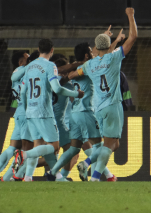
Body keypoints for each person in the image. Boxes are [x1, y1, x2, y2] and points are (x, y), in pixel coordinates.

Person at [69, 8, 138, 182]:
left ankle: (87, 163)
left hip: (98, 109)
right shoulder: (114, 58)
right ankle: (95, 178)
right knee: (109, 145)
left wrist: (62, 78)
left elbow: (72, 75)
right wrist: (131, 17)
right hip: (113, 106)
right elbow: (133, 38)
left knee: (114, 143)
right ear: (108, 46)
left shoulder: (89, 65)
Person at [50, 42, 118, 182]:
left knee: (73, 149)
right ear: (87, 55)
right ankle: (92, 175)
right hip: (86, 111)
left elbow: (63, 76)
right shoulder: (90, 67)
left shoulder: (74, 70)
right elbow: (105, 56)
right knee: (100, 146)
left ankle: (53, 172)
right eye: (90, 52)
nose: (94, 54)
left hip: (75, 114)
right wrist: (113, 44)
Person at [19, 39, 84, 182]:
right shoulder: (50, 66)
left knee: (39, 144)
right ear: (52, 50)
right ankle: (24, 155)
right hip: (44, 112)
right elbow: (57, 89)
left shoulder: (29, 67)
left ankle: (31, 177)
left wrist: (26, 109)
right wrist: (75, 94)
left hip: (30, 111)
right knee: (54, 147)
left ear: (38, 48)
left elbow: (22, 91)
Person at [0, 51, 32, 181]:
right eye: (27, 57)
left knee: (12, 148)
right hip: (27, 112)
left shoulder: (17, 72)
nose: (30, 59)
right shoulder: (25, 72)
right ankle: (16, 177)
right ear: (21, 62)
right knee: (28, 149)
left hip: (18, 113)